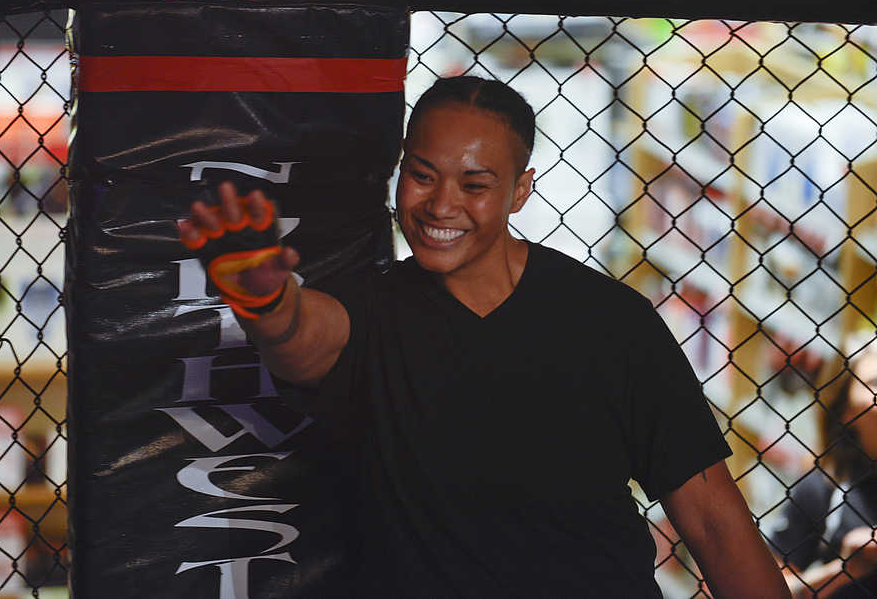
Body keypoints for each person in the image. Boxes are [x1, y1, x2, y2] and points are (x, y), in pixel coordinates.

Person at [178, 76, 790, 597]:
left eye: (474, 186)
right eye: (422, 176)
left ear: (519, 190)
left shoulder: (611, 321)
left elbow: (711, 518)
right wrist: (262, 298)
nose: (441, 205)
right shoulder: (371, 307)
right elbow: (300, 337)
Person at [767, 335, 877, 598]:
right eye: (874, 383)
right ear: (846, 411)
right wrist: (844, 569)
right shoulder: (823, 488)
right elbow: (770, 591)